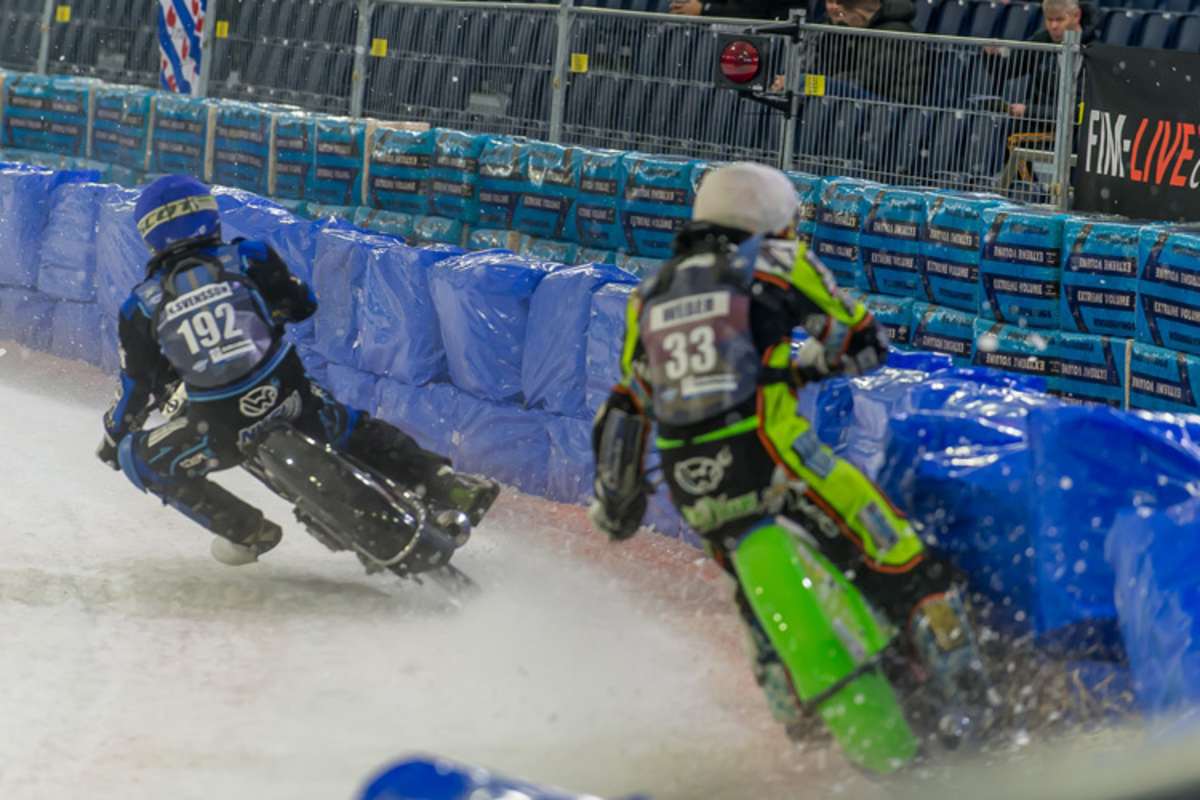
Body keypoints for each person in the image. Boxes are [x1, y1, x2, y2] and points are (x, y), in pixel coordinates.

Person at [588, 163, 989, 755]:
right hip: (773, 459)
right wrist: (802, 367)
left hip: (691, 484)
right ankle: (979, 701)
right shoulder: (776, 263)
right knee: (899, 554)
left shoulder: (649, 294)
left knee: (751, 599)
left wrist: (617, 500)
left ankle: (795, 703)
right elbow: (862, 340)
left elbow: (627, 404)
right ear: (770, 220)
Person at [96, 175, 499, 566]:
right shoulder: (248, 255)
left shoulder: (141, 306)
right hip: (289, 399)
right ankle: (447, 485)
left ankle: (247, 531)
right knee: (350, 427)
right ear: (208, 215)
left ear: (149, 233)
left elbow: (135, 387)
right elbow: (303, 303)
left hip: (218, 431)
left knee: (138, 457)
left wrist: (114, 437)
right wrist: (275, 311)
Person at [820, 0, 928, 105]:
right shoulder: (866, 31)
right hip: (874, 98)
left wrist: (830, 83)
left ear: (859, 12)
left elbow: (874, 77)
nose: (841, 22)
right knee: (808, 83)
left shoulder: (896, 32)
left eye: (841, 14)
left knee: (808, 84)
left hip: (893, 104)